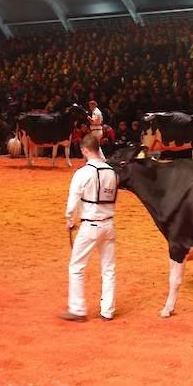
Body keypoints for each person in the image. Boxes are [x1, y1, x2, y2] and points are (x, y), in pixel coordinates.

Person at [63, 134, 117, 322]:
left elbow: (72, 203)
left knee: (76, 267)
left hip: (90, 225)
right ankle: (107, 311)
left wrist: (70, 221)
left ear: (85, 150)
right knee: (108, 269)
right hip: (109, 223)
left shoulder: (82, 173)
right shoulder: (111, 171)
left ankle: (78, 310)